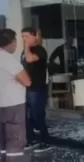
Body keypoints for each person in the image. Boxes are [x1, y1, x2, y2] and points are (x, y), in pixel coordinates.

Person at [0, 29, 31, 162]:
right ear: (12, 42)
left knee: (2, 141)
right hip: (13, 104)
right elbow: (27, 81)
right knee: (15, 142)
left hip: (1, 104)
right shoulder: (7, 59)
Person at [21, 27, 51, 152]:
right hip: (27, 88)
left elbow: (29, 59)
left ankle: (45, 141)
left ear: (35, 36)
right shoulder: (25, 50)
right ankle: (30, 139)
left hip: (37, 88)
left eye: (27, 36)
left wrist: (27, 46)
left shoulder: (40, 50)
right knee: (25, 116)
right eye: (23, 36)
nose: (24, 39)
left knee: (38, 115)